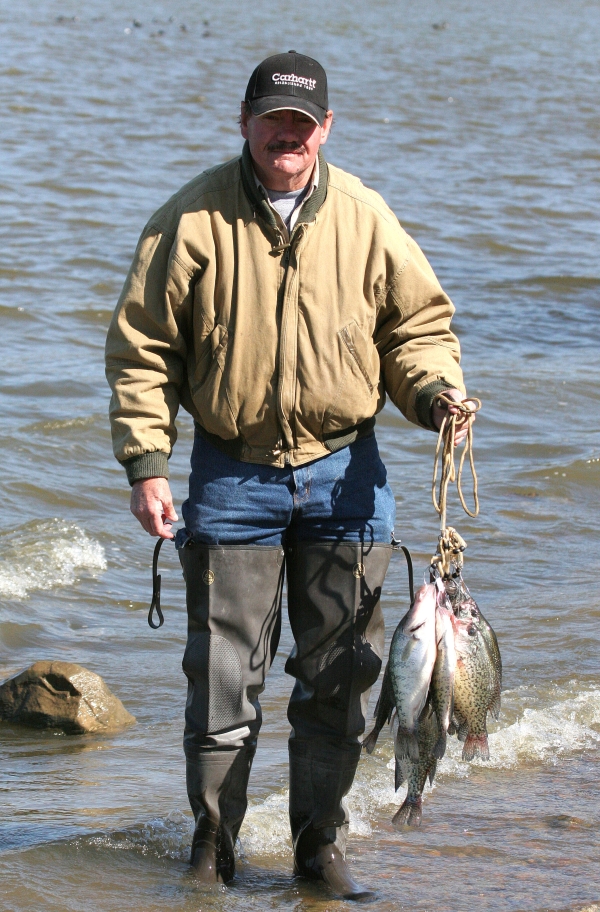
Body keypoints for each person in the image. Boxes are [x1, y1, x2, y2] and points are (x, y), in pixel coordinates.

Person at [105, 51, 471, 900]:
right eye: (272, 120)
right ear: (245, 122)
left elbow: (417, 330)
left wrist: (435, 392)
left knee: (341, 680)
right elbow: (142, 352)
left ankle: (320, 850)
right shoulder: (188, 220)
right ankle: (211, 849)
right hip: (232, 476)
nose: (286, 136)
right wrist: (146, 463)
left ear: (326, 130)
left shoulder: (368, 217)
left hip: (348, 475)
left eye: (302, 125)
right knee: (222, 682)